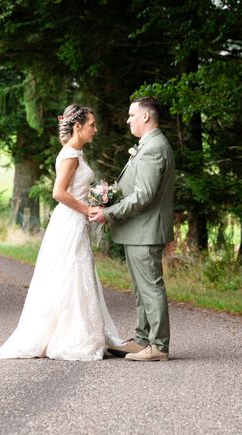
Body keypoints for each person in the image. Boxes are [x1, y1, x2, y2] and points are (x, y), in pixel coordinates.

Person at [0, 104, 123, 361]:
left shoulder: (76, 153)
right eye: (91, 125)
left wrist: (99, 200)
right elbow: (59, 192)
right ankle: (69, 336)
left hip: (74, 221)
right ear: (78, 126)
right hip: (70, 222)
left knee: (76, 273)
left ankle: (78, 331)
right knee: (71, 272)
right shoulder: (70, 156)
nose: (95, 130)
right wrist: (88, 209)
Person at [89, 96, 175, 361]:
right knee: (141, 289)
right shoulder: (148, 145)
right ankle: (142, 339)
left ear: (146, 117)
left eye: (131, 115)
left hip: (146, 230)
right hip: (139, 229)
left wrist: (109, 213)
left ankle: (159, 346)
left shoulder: (154, 147)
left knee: (150, 287)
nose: (127, 120)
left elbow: (144, 195)